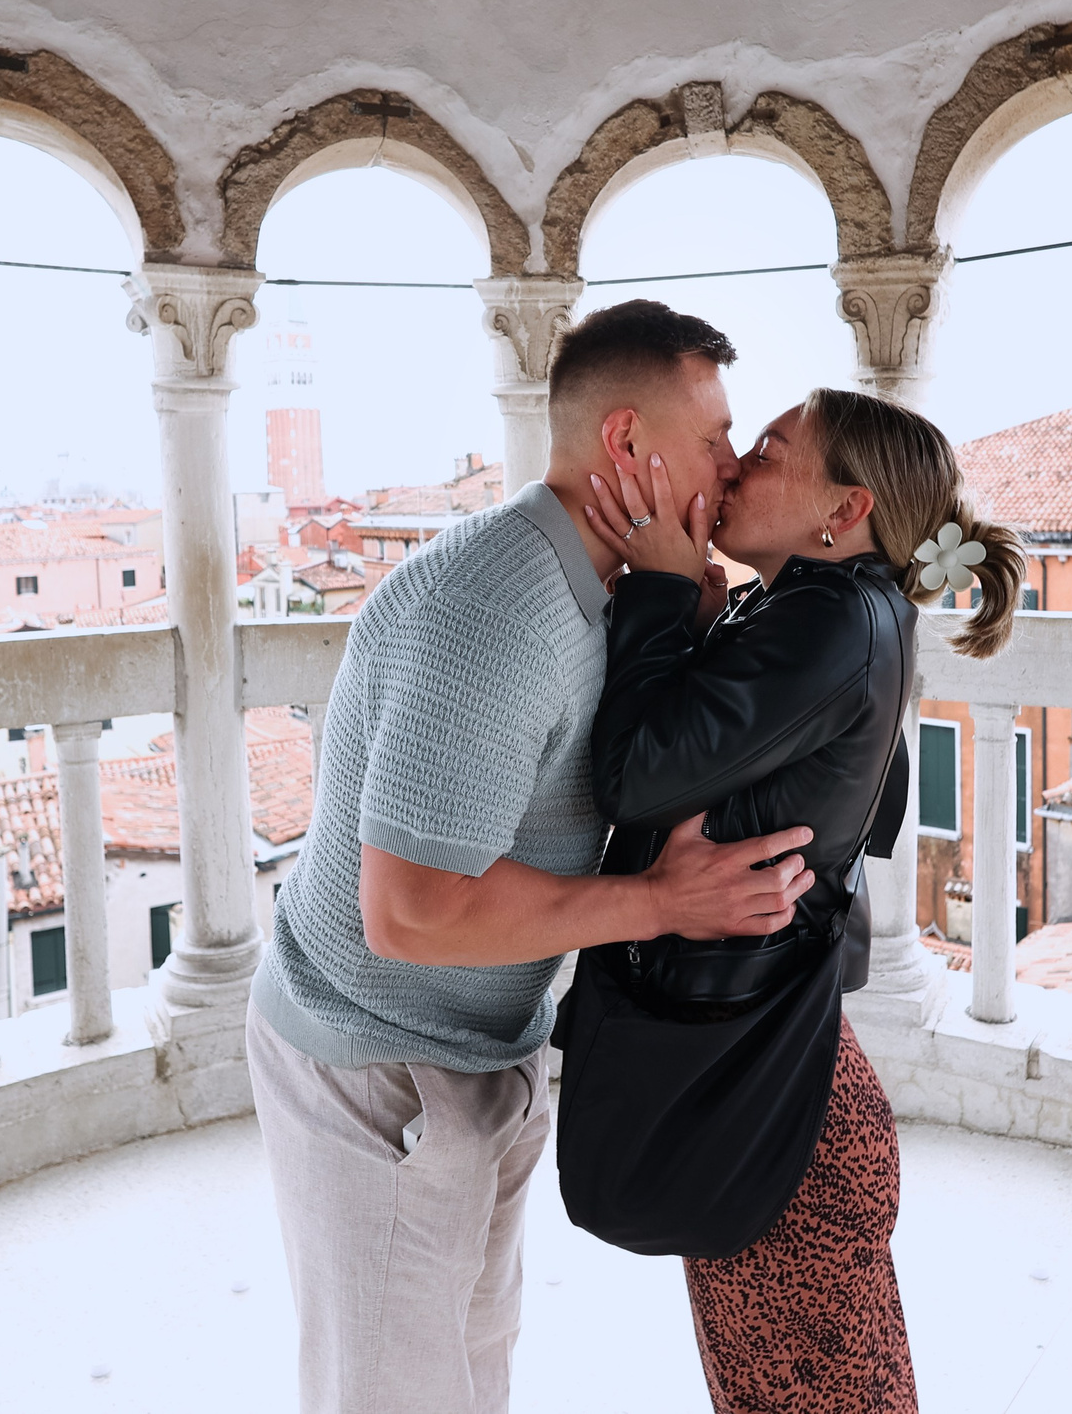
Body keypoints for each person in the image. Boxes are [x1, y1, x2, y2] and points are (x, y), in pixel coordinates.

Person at [246, 299, 820, 1414]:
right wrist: (658, 903)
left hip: (477, 1050)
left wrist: (684, 614)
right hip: (378, 1072)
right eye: (713, 439)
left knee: (468, 1375)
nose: (733, 463)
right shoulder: (493, 610)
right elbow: (407, 914)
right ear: (624, 443)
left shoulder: (610, 589)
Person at [557, 386, 1025, 1414]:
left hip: (777, 1129)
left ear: (843, 512)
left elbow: (633, 776)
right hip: (775, 1095)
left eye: (767, 451)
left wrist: (658, 592)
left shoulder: (829, 620)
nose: (735, 467)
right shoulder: (837, 609)